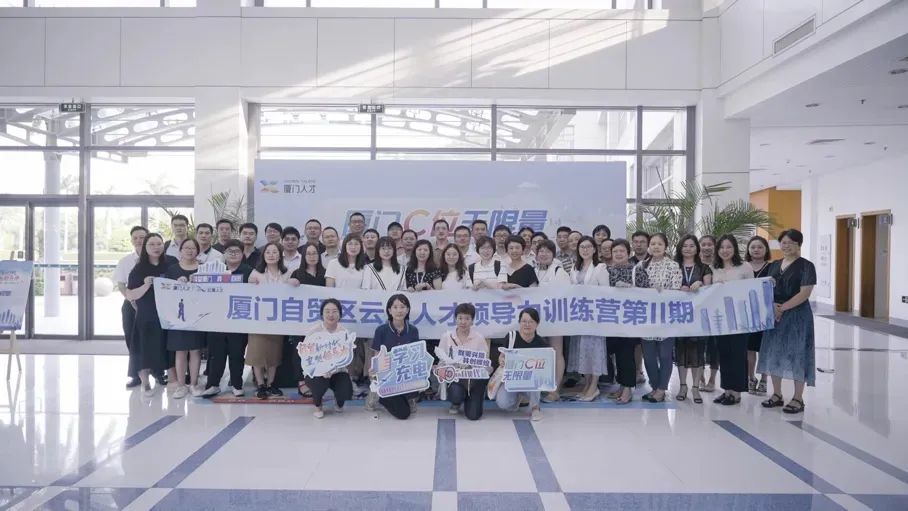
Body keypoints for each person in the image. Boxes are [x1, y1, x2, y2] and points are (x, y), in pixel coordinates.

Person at [759, 229, 816, 415]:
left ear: (799, 244)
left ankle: (798, 398)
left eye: (791, 242)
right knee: (773, 352)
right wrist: (773, 306)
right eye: (783, 242)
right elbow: (765, 288)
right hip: (774, 314)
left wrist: (782, 308)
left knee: (798, 354)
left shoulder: (807, 266)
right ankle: (777, 394)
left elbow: (805, 293)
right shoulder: (774, 265)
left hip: (797, 315)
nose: (786, 246)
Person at [126, 233, 176, 397]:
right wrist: (146, 285)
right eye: (152, 244)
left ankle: (170, 379)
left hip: (168, 313)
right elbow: (130, 295)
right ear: (145, 247)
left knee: (166, 347)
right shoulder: (139, 268)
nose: (156, 247)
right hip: (147, 314)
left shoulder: (171, 263)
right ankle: (145, 382)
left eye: (159, 244)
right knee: (143, 348)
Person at [202, 240, 252, 398]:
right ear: (224, 253)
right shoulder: (216, 270)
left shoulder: (249, 271)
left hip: (238, 319)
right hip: (216, 319)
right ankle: (213, 384)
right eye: (230, 251)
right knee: (216, 354)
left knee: (237, 354)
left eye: (237, 251)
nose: (233, 254)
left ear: (242, 254)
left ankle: (237, 385)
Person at [710, 234, 753, 406]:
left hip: (739, 317)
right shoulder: (714, 268)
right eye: (721, 247)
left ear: (735, 248)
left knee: (738, 353)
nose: (725, 250)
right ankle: (727, 389)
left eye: (728, 247)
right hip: (720, 318)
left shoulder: (745, 267)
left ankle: (736, 392)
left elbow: (752, 290)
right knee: (724, 353)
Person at [605, 239, 649, 404]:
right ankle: (622, 385)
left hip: (631, 319)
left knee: (627, 353)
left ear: (628, 253)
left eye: (621, 251)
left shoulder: (637, 270)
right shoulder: (608, 271)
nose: (618, 254)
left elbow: (647, 293)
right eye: (615, 251)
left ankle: (628, 389)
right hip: (612, 319)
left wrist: (631, 290)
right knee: (617, 353)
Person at [567, 236, 610, 401]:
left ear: (594, 249)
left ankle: (594, 386)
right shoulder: (574, 267)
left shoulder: (600, 268)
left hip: (594, 316)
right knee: (581, 350)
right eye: (582, 247)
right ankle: (586, 384)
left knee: (594, 351)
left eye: (588, 247)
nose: (585, 250)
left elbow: (606, 292)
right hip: (578, 315)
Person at [641, 233, 682, 403]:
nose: (656, 246)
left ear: (665, 246)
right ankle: (654, 386)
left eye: (659, 243)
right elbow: (636, 289)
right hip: (646, 318)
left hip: (667, 318)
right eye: (653, 243)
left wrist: (663, 292)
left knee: (665, 355)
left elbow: (677, 290)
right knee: (648, 356)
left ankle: (662, 388)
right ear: (649, 247)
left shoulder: (673, 266)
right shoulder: (642, 265)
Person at [164, 239, 206, 399]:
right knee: (180, 351)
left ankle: (193, 384)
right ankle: (181, 386)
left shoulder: (203, 269)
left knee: (195, 350)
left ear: (198, 251)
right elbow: (165, 292)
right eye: (186, 248)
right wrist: (176, 284)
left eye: (193, 248)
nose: (189, 250)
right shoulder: (172, 269)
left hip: (197, 316)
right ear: (180, 250)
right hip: (178, 317)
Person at [672, 234, 712, 404]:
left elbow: (710, 291)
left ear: (697, 249)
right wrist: (677, 287)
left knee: (698, 352)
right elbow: (667, 288)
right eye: (685, 246)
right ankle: (683, 386)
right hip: (679, 316)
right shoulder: (674, 267)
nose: (688, 249)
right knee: (681, 351)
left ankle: (695, 387)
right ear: (680, 248)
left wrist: (701, 285)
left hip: (698, 317)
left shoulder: (704, 268)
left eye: (691, 246)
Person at [247, 242, 290, 399]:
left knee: (274, 353)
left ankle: (271, 384)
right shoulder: (255, 273)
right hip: (258, 320)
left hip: (278, 320)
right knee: (257, 353)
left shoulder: (287, 273)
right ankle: (260, 385)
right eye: (268, 252)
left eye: (275, 252)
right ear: (263, 255)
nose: (271, 255)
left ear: (280, 255)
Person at [370, 294, 422, 419]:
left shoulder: (413, 330)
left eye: (402, 307)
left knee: (423, 378)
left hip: (405, 374)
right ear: (389, 310)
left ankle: (408, 397)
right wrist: (374, 373)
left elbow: (416, 356)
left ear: (407, 310)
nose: (399, 310)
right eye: (395, 307)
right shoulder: (381, 330)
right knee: (404, 414)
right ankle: (379, 397)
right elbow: (377, 356)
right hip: (388, 376)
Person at [326, 234, 368, 383]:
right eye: (350, 244)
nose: (353, 247)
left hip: (358, 312)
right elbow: (329, 289)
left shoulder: (366, 266)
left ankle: (353, 379)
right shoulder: (334, 263)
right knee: (339, 346)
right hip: (338, 312)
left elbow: (367, 290)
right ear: (344, 246)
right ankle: (338, 380)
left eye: (357, 244)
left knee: (355, 347)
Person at [302, 299, 354, 419]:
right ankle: (318, 405)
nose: (331, 315)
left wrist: (333, 369)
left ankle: (339, 402)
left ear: (340, 314)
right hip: (316, 371)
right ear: (322, 314)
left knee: (345, 389)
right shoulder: (314, 332)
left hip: (337, 371)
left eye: (334, 311)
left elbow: (346, 358)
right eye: (327, 311)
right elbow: (306, 356)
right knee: (318, 384)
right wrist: (321, 369)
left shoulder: (344, 332)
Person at [288, 241, 328, 397]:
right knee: (299, 351)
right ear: (304, 256)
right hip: (300, 321)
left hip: (320, 321)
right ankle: (301, 381)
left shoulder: (325, 273)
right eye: (309, 254)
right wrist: (290, 282)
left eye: (315, 253)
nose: (312, 256)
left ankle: (317, 380)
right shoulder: (297, 273)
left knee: (319, 350)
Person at [494, 308, 546, 421]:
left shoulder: (541, 343)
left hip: (530, 380)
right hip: (511, 379)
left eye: (531, 321)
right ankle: (518, 400)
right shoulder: (511, 337)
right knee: (503, 403)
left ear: (537, 324)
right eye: (524, 321)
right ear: (519, 322)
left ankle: (535, 408)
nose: (527, 324)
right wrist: (501, 360)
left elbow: (544, 367)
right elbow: (501, 356)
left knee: (536, 380)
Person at [437, 303, 489, 420]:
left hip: (474, 380)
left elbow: (485, 362)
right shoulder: (447, 337)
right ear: (455, 319)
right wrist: (441, 369)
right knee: (456, 395)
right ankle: (456, 402)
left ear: (472, 321)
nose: (463, 322)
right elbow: (441, 359)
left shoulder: (479, 338)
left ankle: (473, 398)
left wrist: (475, 366)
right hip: (455, 379)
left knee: (473, 416)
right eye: (460, 318)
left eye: (467, 318)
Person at [535, 240, 570, 402]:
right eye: (540, 251)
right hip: (536, 318)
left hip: (555, 316)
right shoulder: (534, 270)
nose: (543, 254)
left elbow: (564, 294)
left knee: (556, 352)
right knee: (540, 352)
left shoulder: (559, 271)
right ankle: (540, 386)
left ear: (553, 254)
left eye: (547, 251)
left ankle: (555, 389)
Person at [115, 226, 148, 388]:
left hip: (151, 305)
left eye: (142, 237)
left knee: (153, 338)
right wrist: (131, 299)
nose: (139, 240)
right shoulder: (125, 261)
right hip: (130, 303)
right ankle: (136, 374)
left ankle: (158, 372)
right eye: (135, 238)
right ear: (131, 240)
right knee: (131, 338)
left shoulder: (156, 258)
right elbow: (121, 284)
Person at [746, 235, 772, 395]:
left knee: (764, 348)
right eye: (753, 247)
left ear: (766, 250)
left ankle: (764, 379)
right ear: (748, 249)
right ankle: (751, 378)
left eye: (760, 247)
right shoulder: (743, 266)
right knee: (749, 349)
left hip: (766, 313)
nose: (756, 250)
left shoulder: (773, 267)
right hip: (747, 314)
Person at [698, 234, 719, 392]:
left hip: (717, 312)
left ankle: (712, 379)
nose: (706, 247)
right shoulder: (694, 264)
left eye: (709, 244)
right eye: (703, 244)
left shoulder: (720, 265)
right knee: (699, 345)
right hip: (697, 312)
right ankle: (700, 378)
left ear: (715, 246)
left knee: (714, 347)